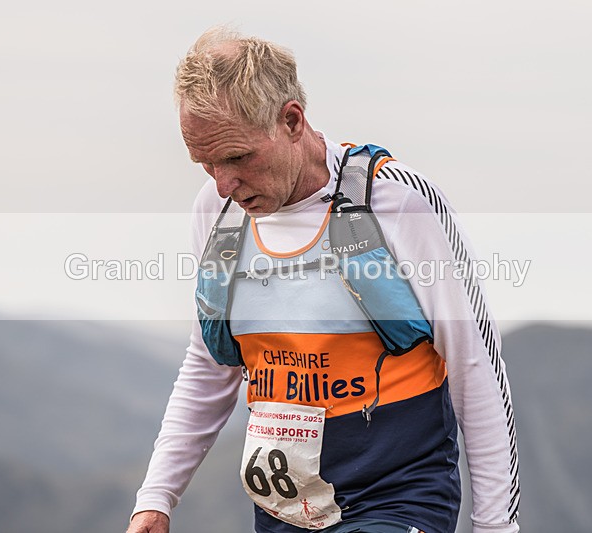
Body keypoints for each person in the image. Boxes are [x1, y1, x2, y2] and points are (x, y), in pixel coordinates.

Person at [128, 27, 519, 533]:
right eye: (205, 164)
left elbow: (475, 363)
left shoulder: (395, 200)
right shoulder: (218, 212)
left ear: (292, 120)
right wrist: (156, 497)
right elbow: (210, 363)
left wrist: (496, 526)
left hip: (395, 501)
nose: (224, 184)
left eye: (238, 157)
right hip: (286, 512)